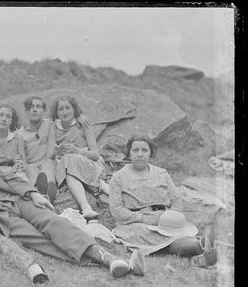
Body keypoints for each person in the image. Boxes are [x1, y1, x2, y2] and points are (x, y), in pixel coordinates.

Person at [0, 138, 146, 279]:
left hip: (15, 199)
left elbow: (6, 176)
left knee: (53, 222)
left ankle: (108, 259)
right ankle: (109, 262)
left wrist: (34, 194)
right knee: (39, 240)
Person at [109, 134, 217, 266]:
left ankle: (200, 246)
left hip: (165, 219)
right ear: (129, 153)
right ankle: (198, 247)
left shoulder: (162, 173)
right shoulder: (118, 177)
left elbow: (176, 200)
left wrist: (171, 217)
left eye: (144, 150)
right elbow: (117, 210)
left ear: (150, 153)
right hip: (136, 223)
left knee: (174, 231)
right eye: (135, 150)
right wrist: (143, 218)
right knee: (149, 233)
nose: (140, 154)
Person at [17, 95, 92, 203]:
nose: (34, 109)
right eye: (30, 107)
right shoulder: (20, 135)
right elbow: (21, 158)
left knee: (49, 162)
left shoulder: (51, 124)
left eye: (38, 106)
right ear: (26, 110)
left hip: (50, 165)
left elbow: (66, 115)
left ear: (44, 110)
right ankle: (39, 191)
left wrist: (79, 116)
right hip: (33, 167)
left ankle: (49, 188)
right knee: (30, 168)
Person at [50, 95, 109, 219]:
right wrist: (56, 151)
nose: (65, 112)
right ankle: (91, 199)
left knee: (70, 158)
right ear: (56, 112)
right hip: (67, 168)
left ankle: (87, 203)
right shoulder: (53, 128)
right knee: (67, 162)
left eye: (68, 108)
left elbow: (95, 154)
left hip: (89, 163)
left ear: (74, 109)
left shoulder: (83, 124)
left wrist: (77, 151)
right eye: (60, 109)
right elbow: (50, 154)